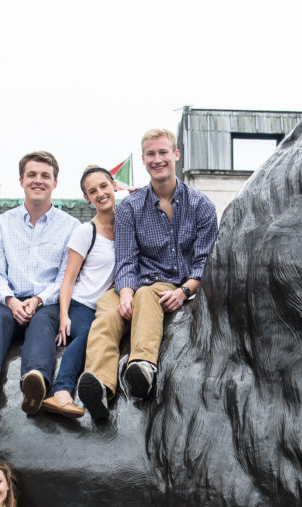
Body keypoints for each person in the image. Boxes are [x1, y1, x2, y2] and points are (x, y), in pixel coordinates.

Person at [77, 129, 218, 420]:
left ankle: (142, 367)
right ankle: (100, 386)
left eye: (163, 152)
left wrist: (184, 291)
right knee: (108, 311)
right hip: (136, 282)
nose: (158, 159)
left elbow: (205, 260)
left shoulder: (201, 206)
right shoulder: (130, 207)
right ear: (143, 159)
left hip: (175, 283)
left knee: (147, 294)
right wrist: (124, 293)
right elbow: (126, 259)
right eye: (151, 154)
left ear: (175, 155)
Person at [0, 151, 80, 419]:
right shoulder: (1, 224)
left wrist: (37, 300)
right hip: (7, 300)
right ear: (21, 180)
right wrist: (11, 301)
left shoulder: (71, 226)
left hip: (46, 300)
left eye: (45, 176)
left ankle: (34, 382)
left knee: (43, 322)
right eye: (32, 175)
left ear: (55, 183)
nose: (38, 181)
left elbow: (65, 277)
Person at [40, 166, 118, 419]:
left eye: (104, 186)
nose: (100, 193)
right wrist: (64, 315)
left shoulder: (127, 226)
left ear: (114, 185)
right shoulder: (86, 231)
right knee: (88, 334)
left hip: (108, 306)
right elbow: (68, 280)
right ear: (87, 198)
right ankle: (61, 392)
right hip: (81, 304)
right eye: (92, 191)